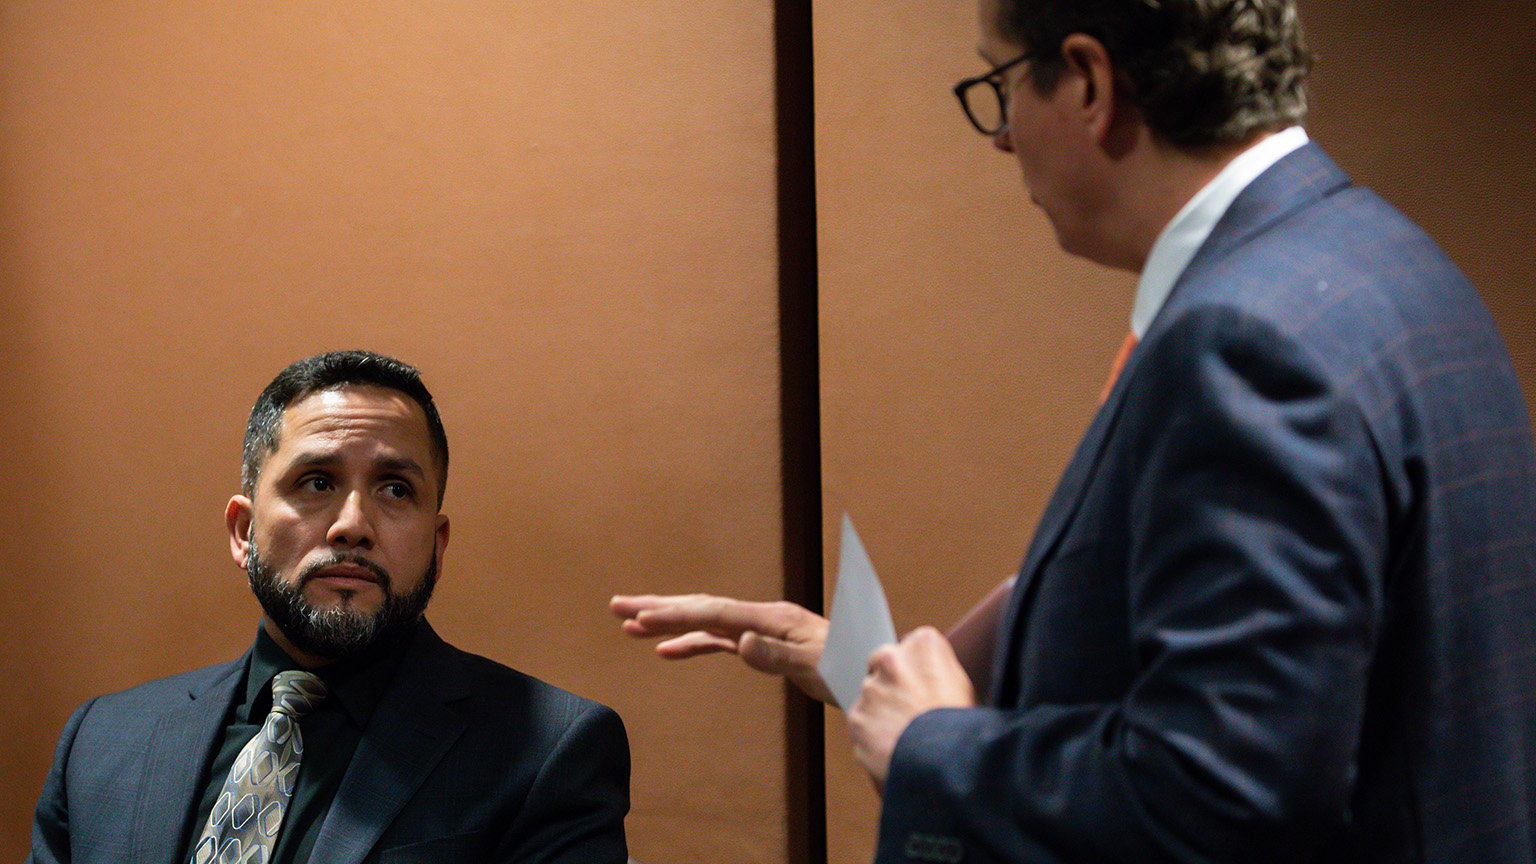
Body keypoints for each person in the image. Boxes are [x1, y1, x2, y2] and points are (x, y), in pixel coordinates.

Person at [614, 0, 1536, 861]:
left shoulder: (1243, 340)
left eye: (1002, 82)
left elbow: (1221, 793)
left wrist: (934, 747)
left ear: (1090, 83)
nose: (1004, 137)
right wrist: (865, 669)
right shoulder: (1388, 263)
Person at [30, 350, 630, 864]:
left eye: (396, 490)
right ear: (243, 533)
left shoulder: (549, 751)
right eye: (316, 482)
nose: (352, 525)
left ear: (436, 545)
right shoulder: (103, 741)